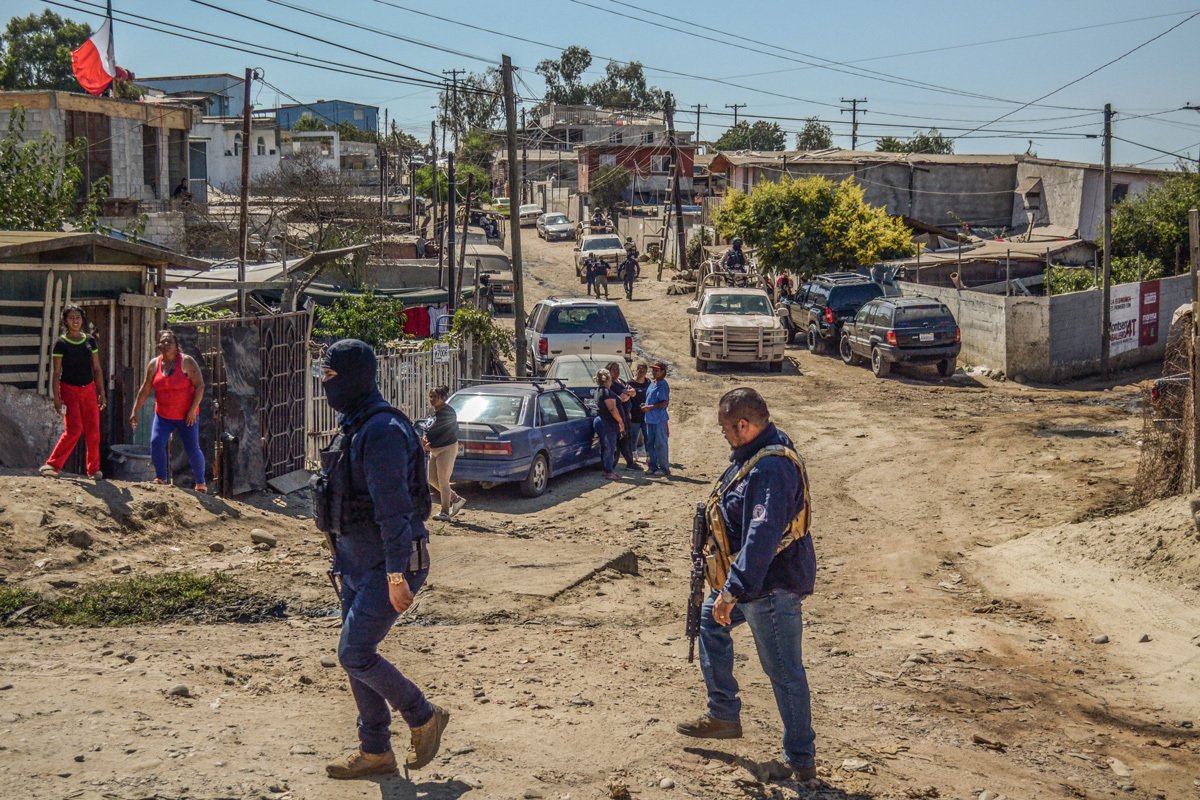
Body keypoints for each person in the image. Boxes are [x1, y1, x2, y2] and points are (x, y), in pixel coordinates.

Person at [316, 339, 449, 780]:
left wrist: (396, 574)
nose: (325, 384)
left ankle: (423, 715)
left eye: (331, 376)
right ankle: (375, 750)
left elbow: (395, 511)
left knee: (354, 653)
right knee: (357, 653)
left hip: (390, 564)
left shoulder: (381, 431)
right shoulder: (352, 425)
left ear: (354, 376)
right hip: (355, 563)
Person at [676, 387, 817, 784]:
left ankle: (800, 760)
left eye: (725, 428)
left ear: (744, 424)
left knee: (784, 671)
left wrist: (732, 589)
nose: (722, 435)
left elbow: (762, 535)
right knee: (709, 621)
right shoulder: (757, 453)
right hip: (753, 582)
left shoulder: (770, 468)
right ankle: (723, 713)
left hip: (770, 586)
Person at [129, 330, 207, 492]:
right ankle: (161, 478)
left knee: (192, 448)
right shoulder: (154, 364)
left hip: (186, 415)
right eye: (162, 342)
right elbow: (145, 389)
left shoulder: (187, 362)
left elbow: (200, 386)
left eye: (169, 342)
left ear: (177, 345)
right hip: (163, 415)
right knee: (156, 442)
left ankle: (200, 483)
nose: (165, 344)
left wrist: (193, 410)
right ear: (158, 345)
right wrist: (135, 410)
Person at [40, 305, 106, 480]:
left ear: (82, 319)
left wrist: (101, 392)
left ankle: (94, 470)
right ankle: (52, 465)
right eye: (71, 318)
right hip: (68, 390)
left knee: (93, 431)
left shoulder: (90, 341)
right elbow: (56, 373)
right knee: (74, 430)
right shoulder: (61, 343)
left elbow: (97, 369)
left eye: (78, 317)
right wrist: (56, 397)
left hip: (89, 389)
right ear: (65, 321)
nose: (75, 320)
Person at [423, 386, 466, 521]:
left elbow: (445, 432)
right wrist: (426, 438)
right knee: (431, 479)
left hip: (446, 448)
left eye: (435, 397)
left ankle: (444, 512)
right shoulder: (435, 411)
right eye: (431, 396)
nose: (432, 399)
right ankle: (455, 499)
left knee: (443, 481)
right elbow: (430, 428)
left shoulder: (448, 413)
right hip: (434, 449)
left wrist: (431, 443)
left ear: (443, 398)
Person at [605, 361, 640, 471]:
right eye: (613, 369)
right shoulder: (610, 385)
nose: (616, 371)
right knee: (622, 439)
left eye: (617, 368)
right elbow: (621, 398)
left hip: (626, 414)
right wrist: (628, 394)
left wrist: (629, 394)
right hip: (618, 416)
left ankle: (630, 462)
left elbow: (633, 392)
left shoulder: (621, 382)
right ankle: (626, 462)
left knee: (627, 438)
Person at [592, 369, 624, 481]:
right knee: (610, 448)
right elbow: (612, 408)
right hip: (608, 423)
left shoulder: (599, 390)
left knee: (605, 447)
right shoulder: (606, 392)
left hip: (601, 421)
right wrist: (620, 421)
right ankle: (609, 471)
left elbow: (619, 400)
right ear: (608, 379)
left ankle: (606, 469)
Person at [640, 361, 671, 477]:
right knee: (650, 444)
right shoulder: (653, 383)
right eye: (653, 370)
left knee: (661, 444)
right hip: (650, 419)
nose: (654, 372)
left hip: (658, 419)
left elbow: (664, 402)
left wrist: (650, 407)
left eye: (657, 370)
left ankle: (664, 468)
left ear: (663, 372)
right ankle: (652, 466)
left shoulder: (662, 385)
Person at [626, 362, 650, 459]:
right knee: (633, 437)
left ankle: (649, 455)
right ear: (636, 371)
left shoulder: (648, 383)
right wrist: (628, 412)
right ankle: (633, 453)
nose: (641, 373)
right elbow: (627, 399)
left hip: (646, 415)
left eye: (643, 371)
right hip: (634, 415)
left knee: (647, 437)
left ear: (646, 372)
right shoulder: (630, 383)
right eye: (639, 371)